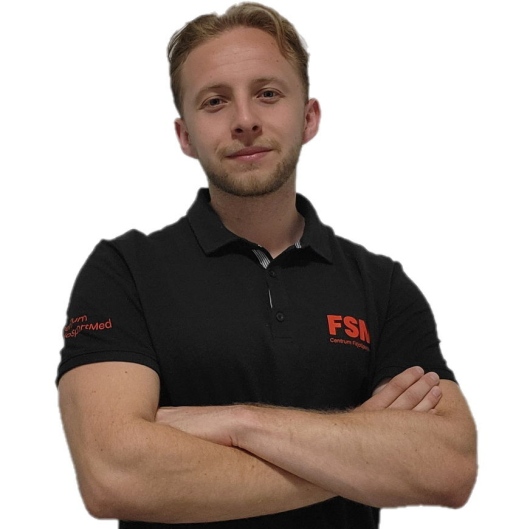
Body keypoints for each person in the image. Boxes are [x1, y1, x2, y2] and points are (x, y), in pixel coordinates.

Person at [57, 3, 477, 528]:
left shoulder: (381, 285)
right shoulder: (124, 271)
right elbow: (113, 475)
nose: (245, 120)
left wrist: (237, 422)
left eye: (268, 94)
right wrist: (362, 451)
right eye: (215, 101)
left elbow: (448, 466)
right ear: (185, 135)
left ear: (309, 117)